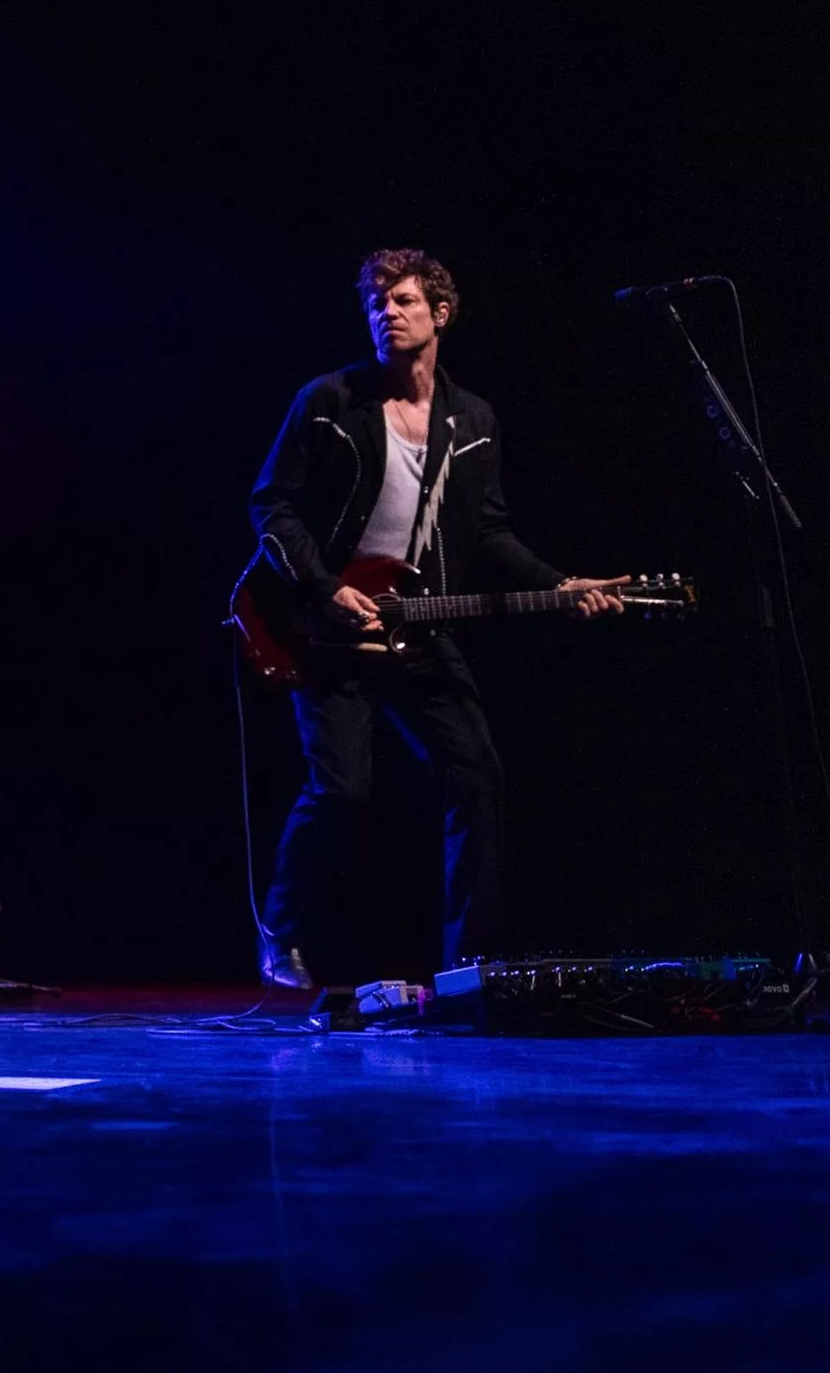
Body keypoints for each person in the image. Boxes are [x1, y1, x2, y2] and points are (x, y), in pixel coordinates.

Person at [248, 247, 626, 994]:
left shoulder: (472, 419)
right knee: (341, 791)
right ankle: (281, 932)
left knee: (477, 778)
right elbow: (272, 504)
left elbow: (489, 532)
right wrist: (323, 589)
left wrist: (561, 584)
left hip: (416, 628)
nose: (388, 314)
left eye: (404, 302)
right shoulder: (329, 400)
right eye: (377, 305)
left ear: (441, 314)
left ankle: (468, 965)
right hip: (327, 630)